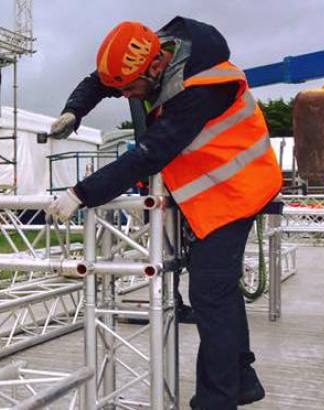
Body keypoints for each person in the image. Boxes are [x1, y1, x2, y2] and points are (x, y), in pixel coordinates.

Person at [44, 18, 279, 409]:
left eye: (129, 89)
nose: (125, 96)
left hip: (236, 189)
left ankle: (217, 401)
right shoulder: (150, 56)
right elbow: (100, 81)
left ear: (156, 65)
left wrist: (81, 194)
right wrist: (74, 111)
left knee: (210, 292)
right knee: (220, 290)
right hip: (212, 190)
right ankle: (242, 378)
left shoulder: (202, 89)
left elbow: (148, 155)